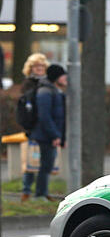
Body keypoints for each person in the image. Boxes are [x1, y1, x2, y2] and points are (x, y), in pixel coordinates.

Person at [21, 61, 66, 202]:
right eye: (63, 76)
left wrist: (61, 137)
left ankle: (41, 193)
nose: (66, 78)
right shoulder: (45, 92)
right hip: (44, 135)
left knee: (46, 164)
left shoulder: (53, 90)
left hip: (49, 134)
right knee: (44, 164)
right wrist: (55, 135)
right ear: (56, 77)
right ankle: (38, 194)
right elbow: (45, 116)